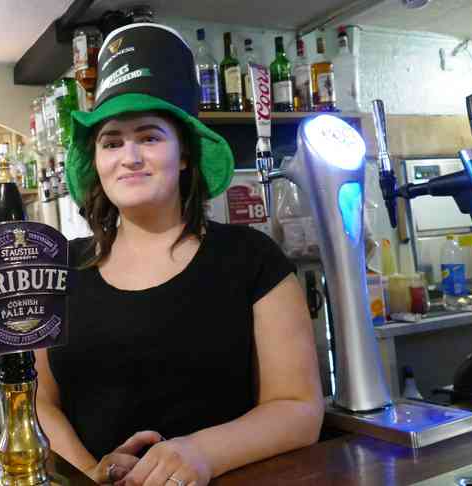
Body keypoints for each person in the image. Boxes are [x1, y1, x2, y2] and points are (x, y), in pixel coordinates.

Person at [35, 23, 324, 486]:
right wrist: (91, 471)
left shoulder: (252, 258)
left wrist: (199, 453)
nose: (129, 156)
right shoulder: (59, 268)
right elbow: (38, 399)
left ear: (184, 156)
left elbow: (299, 408)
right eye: (111, 142)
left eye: (149, 137)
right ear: (98, 162)